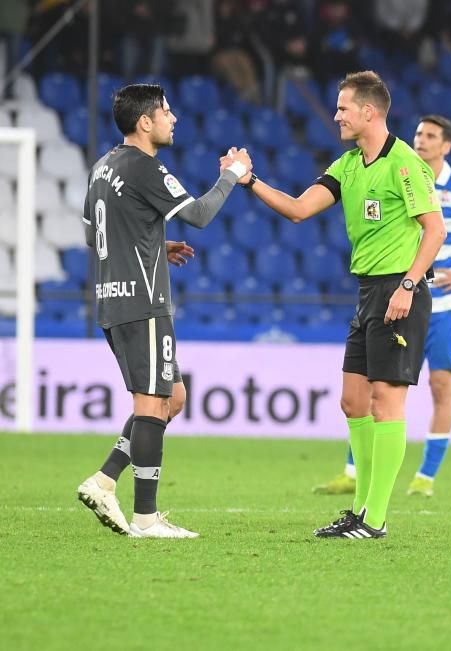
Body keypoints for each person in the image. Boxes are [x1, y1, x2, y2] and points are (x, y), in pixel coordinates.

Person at [243, 71, 445, 539]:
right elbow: (297, 209)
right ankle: (359, 512)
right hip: (368, 291)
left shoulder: (405, 164)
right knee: (353, 400)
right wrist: (249, 180)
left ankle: (374, 519)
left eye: (342, 108)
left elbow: (435, 231)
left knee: (386, 402)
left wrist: (409, 286)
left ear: (368, 112)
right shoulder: (348, 164)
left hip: (400, 290)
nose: (335, 115)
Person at [313, 115, 451, 498]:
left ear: (447, 146)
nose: (421, 141)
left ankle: (425, 476)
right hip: (398, 300)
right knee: (374, 388)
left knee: (440, 387)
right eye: (418, 134)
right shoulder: (400, 173)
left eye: (431, 137)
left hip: (444, 306)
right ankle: (353, 472)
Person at [76, 83, 252, 538]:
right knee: (154, 403)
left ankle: (104, 479)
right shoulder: (144, 167)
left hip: (114, 300)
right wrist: (232, 173)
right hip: (144, 302)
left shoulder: (102, 167)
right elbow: (200, 215)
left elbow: (93, 231)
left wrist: (152, 240)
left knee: (172, 398)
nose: (173, 118)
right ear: (144, 122)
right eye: (166, 111)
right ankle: (147, 518)